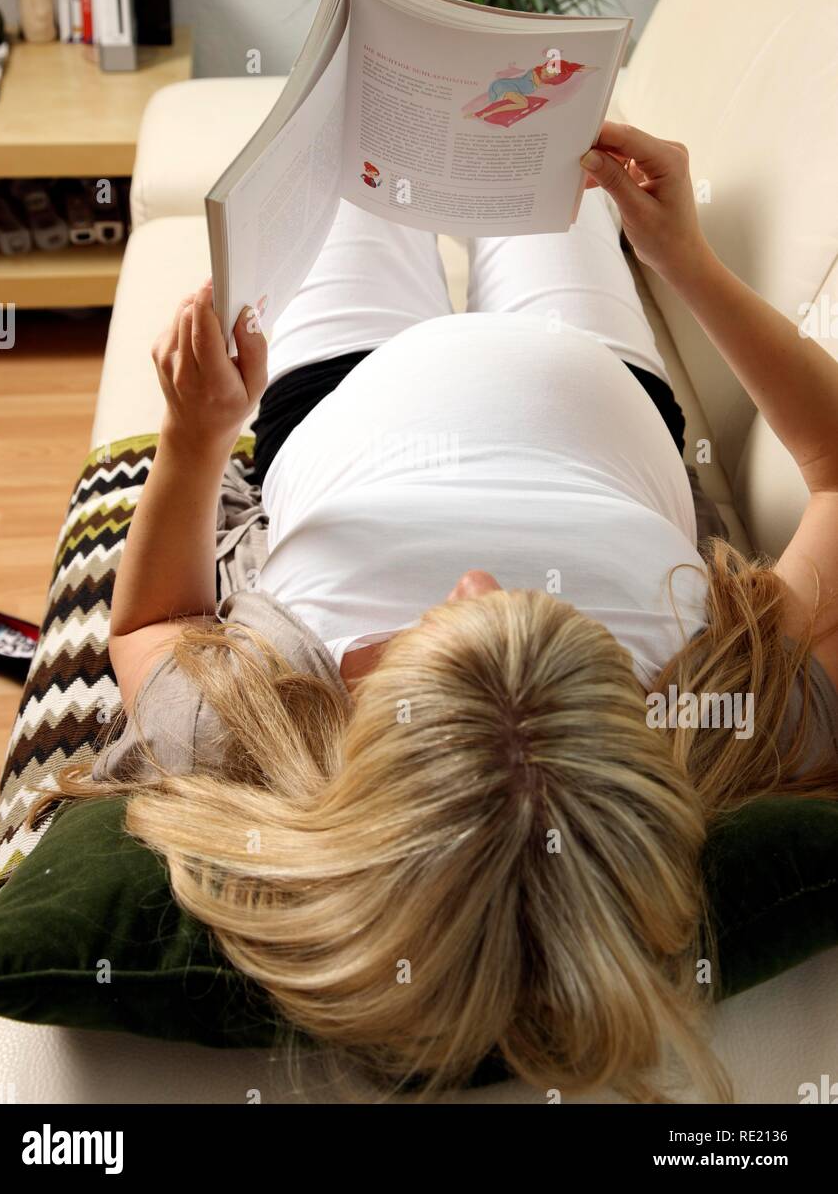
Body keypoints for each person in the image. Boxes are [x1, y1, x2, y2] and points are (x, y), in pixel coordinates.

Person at [61, 122, 838, 1102]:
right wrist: (681, 260)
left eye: (431, 619)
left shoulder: (253, 726)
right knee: (535, 135)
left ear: (359, 699)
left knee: (353, 139)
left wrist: (193, 437)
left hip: (332, 386)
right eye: (543, 611)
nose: (475, 573)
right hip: (589, 355)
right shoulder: (730, 702)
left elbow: (142, 624)